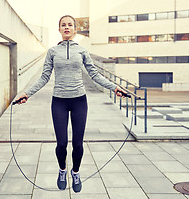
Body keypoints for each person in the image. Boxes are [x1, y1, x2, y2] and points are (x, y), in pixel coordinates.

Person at [15, 15, 127, 193]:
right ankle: (62, 170)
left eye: (70, 25)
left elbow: (95, 75)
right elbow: (44, 77)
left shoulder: (82, 51)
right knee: (61, 144)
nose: (66, 27)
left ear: (75, 29)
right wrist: (27, 93)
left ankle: (75, 172)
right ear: (59, 29)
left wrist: (114, 87)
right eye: (63, 25)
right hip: (59, 101)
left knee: (78, 144)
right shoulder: (52, 52)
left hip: (79, 101)